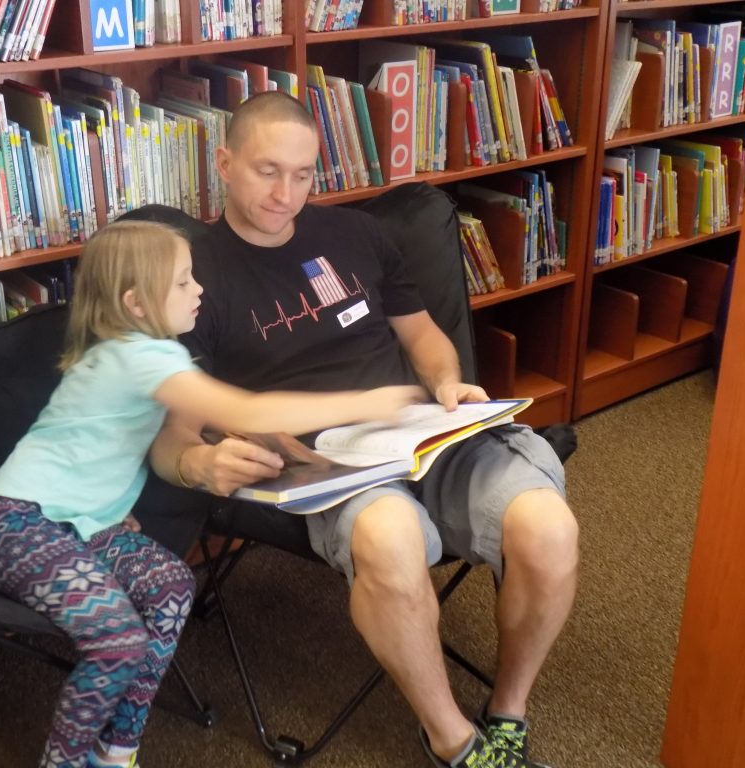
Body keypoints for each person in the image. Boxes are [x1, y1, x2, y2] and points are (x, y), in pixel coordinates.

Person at [149, 93, 579, 768]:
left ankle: (507, 712)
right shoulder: (191, 276)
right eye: (267, 171)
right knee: (391, 535)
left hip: (417, 430)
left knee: (549, 530)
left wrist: (446, 382)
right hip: (327, 463)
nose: (285, 194)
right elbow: (173, 437)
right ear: (225, 164)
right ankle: (454, 740)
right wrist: (202, 466)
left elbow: (424, 335)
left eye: (302, 174)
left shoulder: (357, 236)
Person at [0, 219, 422, 768]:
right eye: (183, 281)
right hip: (15, 525)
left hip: (79, 524)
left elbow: (206, 422)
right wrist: (368, 403)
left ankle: (117, 751)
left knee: (173, 586)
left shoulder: (144, 354)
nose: (199, 289)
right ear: (136, 303)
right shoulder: (138, 358)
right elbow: (246, 410)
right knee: (117, 640)